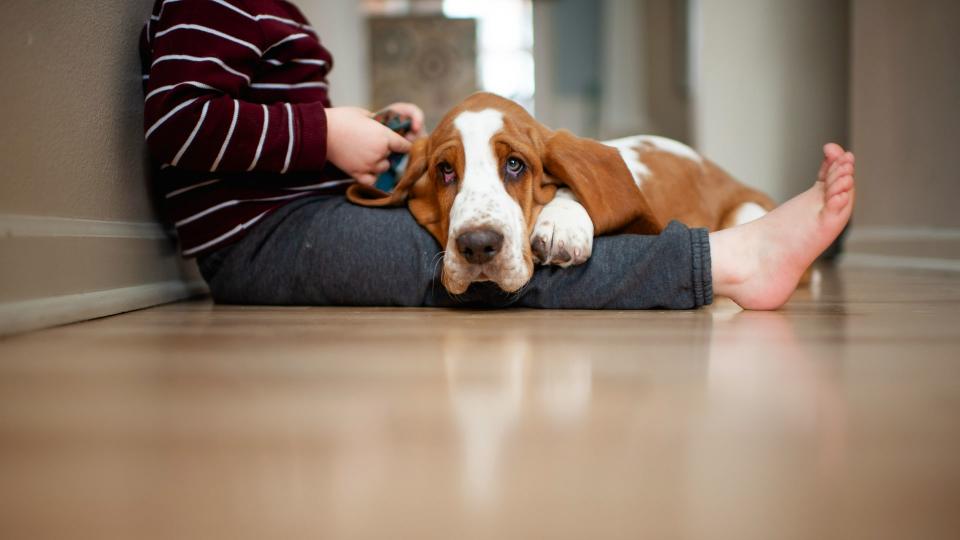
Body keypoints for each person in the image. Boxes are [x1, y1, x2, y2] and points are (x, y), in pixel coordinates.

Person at [140, 0, 856, 311]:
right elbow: (179, 121)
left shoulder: (263, 11)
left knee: (517, 258)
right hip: (258, 244)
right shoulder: (214, 3)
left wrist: (350, 131)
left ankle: (743, 237)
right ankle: (736, 260)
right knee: (482, 274)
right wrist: (324, 136)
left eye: (517, 167)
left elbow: (258, 120)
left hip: (291, 217)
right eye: (446, 172)